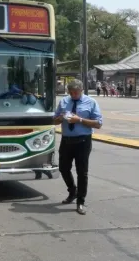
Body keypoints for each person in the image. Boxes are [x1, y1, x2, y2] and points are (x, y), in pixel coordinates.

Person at [54, 79, 102, 215]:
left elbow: (98, 123)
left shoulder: (91, 102)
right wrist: (61, 118)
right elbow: (54, 120)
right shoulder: (64, 101)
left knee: (82, 172)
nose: (73, 95)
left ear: (81, 90)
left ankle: (80, 201)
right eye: (71, 93)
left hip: (83, 141)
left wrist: (79, 120)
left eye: (76, 92)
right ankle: (72, 191)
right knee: (63, 168)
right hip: (67, 140)